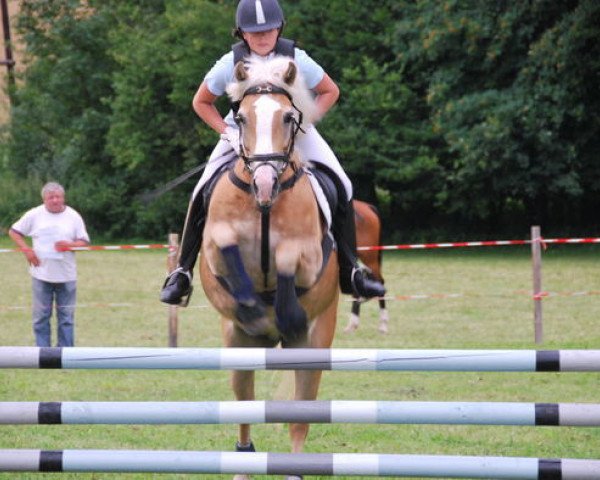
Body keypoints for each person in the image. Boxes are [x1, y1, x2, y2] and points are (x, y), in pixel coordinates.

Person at [160, 0, 385, 306]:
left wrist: (303, 123)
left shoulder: (297, 58)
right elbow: (201, 102)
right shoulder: (229, 62)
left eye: (268, 30)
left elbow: (331, 91)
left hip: (292, 127)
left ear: (280, 28)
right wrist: (227, 132)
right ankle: (182, 272)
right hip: (243, 130)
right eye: (254, 32)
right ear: (242, 34)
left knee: (342, 183)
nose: (263, 36)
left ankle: (351, 272)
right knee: (202, 187)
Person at [9, 182, 90, 347]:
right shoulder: (34, 214)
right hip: (41, 274)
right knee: (41, 316)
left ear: (63, 198)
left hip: (66, 275)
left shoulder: (73, 216)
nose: (54, 200)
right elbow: (14, 232)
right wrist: (27, 250)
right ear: (44, 199)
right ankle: (42, 352)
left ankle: (66, 353)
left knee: (66, 317)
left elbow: (84, 242)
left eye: (58, 197)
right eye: (50, 197)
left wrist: (69, 245)